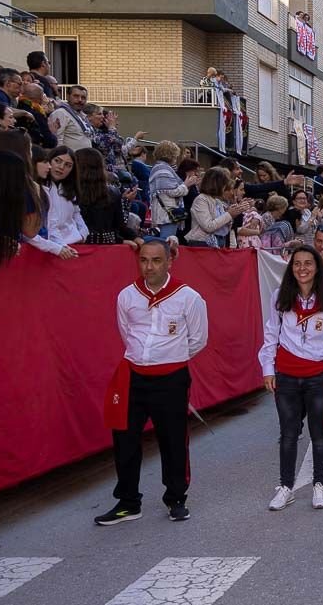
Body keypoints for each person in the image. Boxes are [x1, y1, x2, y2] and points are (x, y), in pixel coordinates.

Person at [98, 238, 208, 525]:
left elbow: (197, 340)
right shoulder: (126, 296)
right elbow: (126, 333)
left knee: (172, 439)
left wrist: (167, 356)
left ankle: (175, 499)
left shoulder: (189, 297)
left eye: (156, 260)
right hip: (133, 376)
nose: (149, 266)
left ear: (170, 261)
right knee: (125, 439)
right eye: (144, 260)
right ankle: (128, 502)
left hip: (171, 378)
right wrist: (144, 358)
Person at [259, 245, 323, 512]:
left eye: (308, 263)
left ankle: (319, 484)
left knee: (319, 433)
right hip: (287, 374)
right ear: (290, 269)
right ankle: (285, 488)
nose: (302, 268)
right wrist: (268, 369)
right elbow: (271, 334)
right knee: (289, 434)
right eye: (297, 264)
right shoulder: (280, 296)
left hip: (319, 374)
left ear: (317, 268)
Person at [74, 148, 135, 245]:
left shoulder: (69, 193)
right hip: (104, 247)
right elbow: (120, 226)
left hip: (76, 249)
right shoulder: (113, 192)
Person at [185, 166, 244, 247]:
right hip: (202, 244)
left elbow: (225, 226)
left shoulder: (217, 201)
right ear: (217, 184)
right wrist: (229, 214)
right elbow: (209, 226)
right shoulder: (201, 200)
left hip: (219, 242)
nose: (225, 188)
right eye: (224, 184)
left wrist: (233, 213)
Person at [43, 145, 87, 246]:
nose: (61, 167)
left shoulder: (69, 189)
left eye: (68, 165)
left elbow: (76, 213)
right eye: (57, 161)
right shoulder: (41, 187)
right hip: (49, 244)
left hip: (72, 243)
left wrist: (83, 233)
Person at [148, 141, 188, 241]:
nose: (176, 157)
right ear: (171, 154)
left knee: (165, 241)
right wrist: (186, 185)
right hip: (166, 214)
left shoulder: (160, 168)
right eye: (175, 155)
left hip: (163, 212)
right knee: (167, 242)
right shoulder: (163, 169)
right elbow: (173, 191)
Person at [49, 85, 94, 151]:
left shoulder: (82, 116)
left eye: (83, 97)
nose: (80, 100)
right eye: (76, 96)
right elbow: (58, 139)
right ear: (68, 97)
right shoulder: (61, 113)